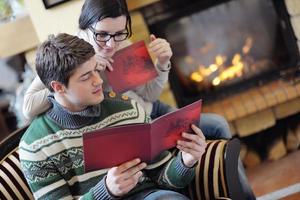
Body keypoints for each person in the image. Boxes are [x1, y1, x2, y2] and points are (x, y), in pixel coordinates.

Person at [19, 33, 207, 199]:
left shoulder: (127, 108)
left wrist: (186, 161)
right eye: (86, 77)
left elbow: (163, 178)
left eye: (96, 70)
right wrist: (106, 191)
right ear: (58, 87)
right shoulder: (34, 146)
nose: (99, 80)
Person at [22, 0, 231, 141]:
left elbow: (149, 94)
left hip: (154, 111)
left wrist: (162, 63)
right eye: (102, 35)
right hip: (133, 126)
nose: (112, 44)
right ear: (85, 27)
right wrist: (81, 73)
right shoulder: (69, 54)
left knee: (218, 126)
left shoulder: (121, 43)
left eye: (119, 33)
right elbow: (28, 107)